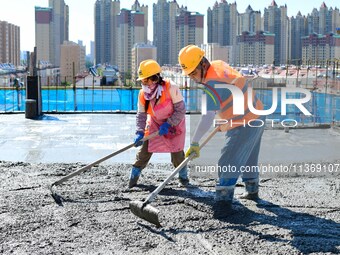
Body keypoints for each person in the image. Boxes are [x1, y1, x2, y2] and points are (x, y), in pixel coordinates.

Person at [178, 45, 265, 215]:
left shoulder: (211, 84)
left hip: (245, 121)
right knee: (248, 156)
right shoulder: (218, 65)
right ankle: (252, 189)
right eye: (189, 75)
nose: (193, 78)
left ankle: (223, 205)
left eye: (194, 73)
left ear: (203, 64)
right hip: (257, 114)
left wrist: (195, 142)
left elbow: (207, 117)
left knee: (228, 160)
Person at [129, 59, 188, 188]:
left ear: (155, 78)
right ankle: (133, 178)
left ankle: (184, 179)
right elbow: (141, 115)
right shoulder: (142, 94)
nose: (143, 83)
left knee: (177, 153)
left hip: (174, 124)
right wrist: (139, 131)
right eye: (142, 80)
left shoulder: (171, 87)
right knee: (144, 150)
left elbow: (181, 110)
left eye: (146, 80)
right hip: (155, 123)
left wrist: (169, 123)